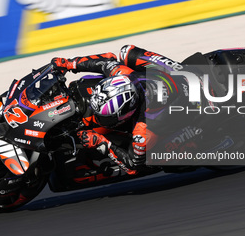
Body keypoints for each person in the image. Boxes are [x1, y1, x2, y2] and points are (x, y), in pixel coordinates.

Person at [51, 45, 196, 175]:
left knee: (155, 157)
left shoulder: (143, 130)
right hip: (171, 79)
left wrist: (102, 143)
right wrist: (70, 63)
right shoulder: (122, 73)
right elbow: (106, 60)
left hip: (186, 105)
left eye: (107, 117)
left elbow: (133, 166)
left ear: (127, 112)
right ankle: (181, 70)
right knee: (127, 51)